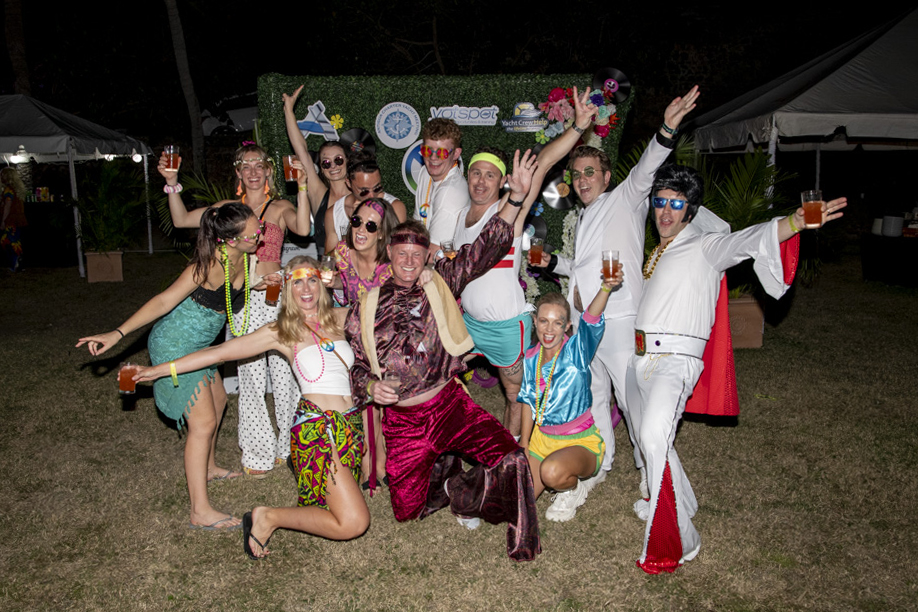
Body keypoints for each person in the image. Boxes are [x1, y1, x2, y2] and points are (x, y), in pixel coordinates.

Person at [628, 164, 846, 573]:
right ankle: (680, 500)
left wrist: (794, 222)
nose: (666, 211)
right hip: (638, 360)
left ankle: (680, 539)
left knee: (654, 435)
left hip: (674, 363)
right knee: (651, 439)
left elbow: (747, 240)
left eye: (677, 204)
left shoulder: (705, 245)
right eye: (660, 201)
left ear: (691, 210)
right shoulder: (659, 250)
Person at [346, 150, 542, 561]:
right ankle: (445, 473)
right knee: (406, 512)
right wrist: (370, 387)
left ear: (426, 258)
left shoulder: (440, 283)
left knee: (512, 458)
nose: (409, 262)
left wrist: (515, 199)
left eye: (417, 255)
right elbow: (358, 366)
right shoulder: (365, 306)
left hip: (449, 405)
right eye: (402, 254)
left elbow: (484, 248)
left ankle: (486, 507)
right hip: (403, 421)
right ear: (389, 253)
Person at [132, 256, 369, 558]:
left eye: (312, 280)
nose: (306, 289)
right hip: (317, 430)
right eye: (297, 282)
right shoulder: (281, 330)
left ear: (322, 284)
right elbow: (219, 353)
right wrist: (158, 370)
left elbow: (383, 302)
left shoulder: (341, 317)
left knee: (336, 507)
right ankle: (267, 517)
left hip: (349, 426)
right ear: (287, 288)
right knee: (353, 523)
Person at [532, 86, 701, 495]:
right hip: (584, 325)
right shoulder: (585, 216)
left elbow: (646, 167)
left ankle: (650, 471)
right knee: (593, 396)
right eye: (577, 174)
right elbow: (584, 267)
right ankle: (601, 460)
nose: (582, 179)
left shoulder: (625, 198)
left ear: (606, 178)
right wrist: (553, 263)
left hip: (619, 319)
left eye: (590, 172)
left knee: (632, 399)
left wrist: (667, 128)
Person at [77, 203, 265, 530]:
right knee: (203, 422)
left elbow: (236, 290)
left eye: (258, 228)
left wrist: (260, 283)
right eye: (253, 233)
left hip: (202, 346)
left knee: (219, 400)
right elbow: (164, 301)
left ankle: (208, 467)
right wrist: (117, 333)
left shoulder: (246, 257)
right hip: (174, 342)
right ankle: (200, 511)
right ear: (230, 240)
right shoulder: (208, 265)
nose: (259, 235)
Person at [161, 144, 311, 478]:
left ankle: (289, 447)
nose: (253, 171)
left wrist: (301, 186)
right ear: (238, 173)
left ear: (269, 171)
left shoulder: (280, 207)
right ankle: (258, 452)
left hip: (276, 296)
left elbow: (303, 229)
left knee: (286, 374)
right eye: (246, 165)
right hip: (244, 299)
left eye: (259, 165)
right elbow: (181, 220)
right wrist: (172, 182)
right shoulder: (226, 210)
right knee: (250, 376)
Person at [518, 273, 622, 523]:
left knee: (551, 473)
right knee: (517, 499)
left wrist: (605, 288)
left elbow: (590, 320)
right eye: (544, 321)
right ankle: (550, 471)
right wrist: (524, 443)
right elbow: (528, 402)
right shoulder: (531, 357)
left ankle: (573, 490)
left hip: (580, 442)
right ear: (535, 321)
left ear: (567, 326)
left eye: (557, 323)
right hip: (542, 440)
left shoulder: (576, 351)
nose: (549, 330)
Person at [451, 146, 534, 439]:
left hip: (506, 327)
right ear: (467, 175)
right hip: (469, 323)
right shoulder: (460, 216)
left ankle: (512, 450)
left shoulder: (508, 212)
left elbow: (545, 162)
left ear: (503, 181)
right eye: (476, 173)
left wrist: (577, 127)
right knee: (440, 373)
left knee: (515, 395)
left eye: (490, 175)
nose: (481, 181)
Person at [332, 197, 400, 490]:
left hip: (386, 338)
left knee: (382, 401)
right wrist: (330, 281)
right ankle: (367, 461)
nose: (361, 229)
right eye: (357, 221)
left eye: (371, 226)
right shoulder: (342, 252)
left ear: (382, 233)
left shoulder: (390, 265)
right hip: (355, 336)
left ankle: (381, 461)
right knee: (363, 399)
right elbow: (346, 282)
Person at [284, 85, 352, 255]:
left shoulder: (361, 194)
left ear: (347, 161)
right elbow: (301, 149)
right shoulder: (319, 194)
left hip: (358, 268)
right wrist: (288, 110)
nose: (333, 166)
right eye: (326, 163)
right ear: (321, 168)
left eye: (338, 160)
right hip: (326, 266)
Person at [324, 152, 407, 254]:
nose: (372, 196)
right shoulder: (334, 213)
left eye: (377, 188)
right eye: (364, 191)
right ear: (348, 183)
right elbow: (329, 260)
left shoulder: (394, 207)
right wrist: (355, 224)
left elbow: (397, 252)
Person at [414, 118, 468, 258]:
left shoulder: (451, 192)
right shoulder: (425, 172)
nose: (433, 158)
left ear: (456, 154)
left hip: (444, 266)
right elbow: (416, 227)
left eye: (442, 153)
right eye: (427, 150)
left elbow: (435, 253)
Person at [1, 167, 28, 272]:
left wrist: (3, 221)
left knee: (9, 241)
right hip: (18, 219)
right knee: (15, 241)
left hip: (11, 220)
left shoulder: (9, 190)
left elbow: (7, 206)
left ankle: (15, 264)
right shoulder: (17, 190)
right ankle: (19, 263)